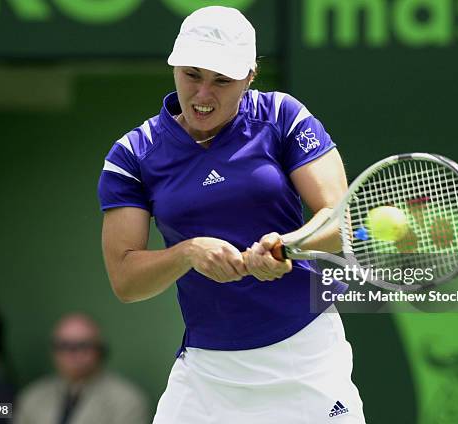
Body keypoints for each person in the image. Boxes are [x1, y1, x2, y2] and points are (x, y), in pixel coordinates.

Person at [98, 6, 366, 423]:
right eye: (192, 74)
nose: (203, 95)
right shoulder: (132, 155)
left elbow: (339, 222)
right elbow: (126, 280)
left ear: (250, 76)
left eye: (222, 80)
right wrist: (187, 253)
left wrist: (285, 247)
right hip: (208, 374)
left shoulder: (282, 117)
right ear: (173, 66)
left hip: (307, 357)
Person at [14, 314, 150, 424]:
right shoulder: (32, 397)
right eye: (64, 346)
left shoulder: (127, 400)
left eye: (83, 346)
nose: (73, 354)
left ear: (101, 350)